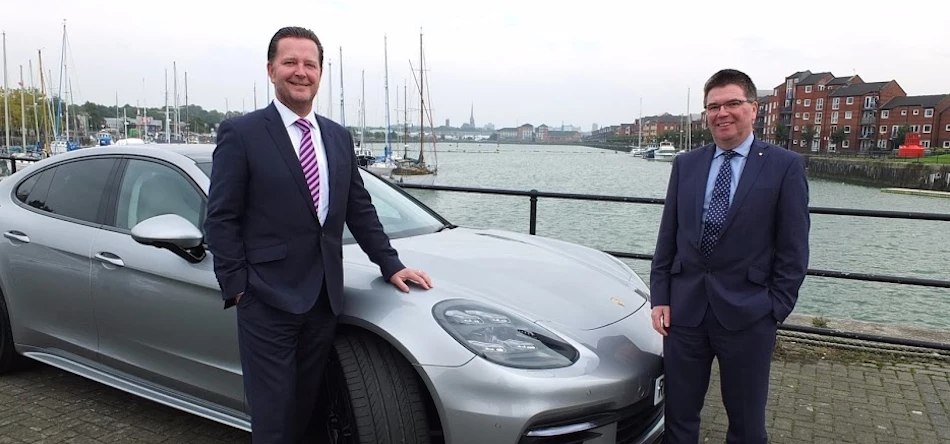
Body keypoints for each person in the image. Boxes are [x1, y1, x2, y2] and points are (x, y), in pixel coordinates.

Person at [204, 26, 433, 444]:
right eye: (290, 62)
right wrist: (238, 288)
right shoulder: (243, 133)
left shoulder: (337, 136)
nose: (300, 72)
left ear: (321, 73)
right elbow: (220, 218)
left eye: (310, 64)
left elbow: (359, 209)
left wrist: (391, 264)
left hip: (324, 300)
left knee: (308, 412)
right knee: (273, 420)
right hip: (266, 300)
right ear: (271, 70)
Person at [649, 69, 810, 444]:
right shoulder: (686, 164)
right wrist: (661, 297)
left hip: (749, 315)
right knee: (679, 417)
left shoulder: (784, 166)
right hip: (685, 313)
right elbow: (667, 236)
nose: (722, 113)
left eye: (733, 103)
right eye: (713, 106)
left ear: (753, 109)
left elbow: (794, 249)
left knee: (747, 425)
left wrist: (774, 309)